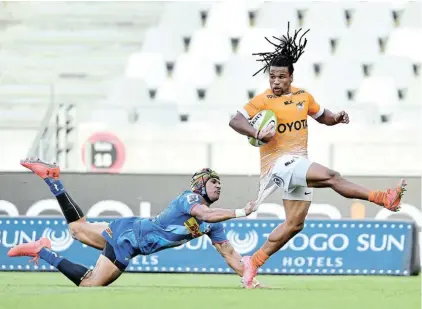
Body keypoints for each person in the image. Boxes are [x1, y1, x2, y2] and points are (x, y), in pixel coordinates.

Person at [228, 23, 407, 288]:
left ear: (291, 76)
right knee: (332, 176)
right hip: (278, 165)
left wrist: (337, 118)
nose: (275, 82)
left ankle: (252, 264)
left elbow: (323, 116)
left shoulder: (303, 96)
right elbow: (235, 120)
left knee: (294, 225)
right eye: (272, 77)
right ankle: (383, 198)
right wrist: (256, 131)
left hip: (297, 163)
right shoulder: (263, 100)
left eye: (280, 77)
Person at [8, 158, 260, 288]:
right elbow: (203, 215)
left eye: (220, 183)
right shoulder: (190, 198)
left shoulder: (214, 223)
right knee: (90, 284)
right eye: (213, 181)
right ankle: (42, 251)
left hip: (129, 232)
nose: (219, 185)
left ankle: (52, 179)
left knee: (77, 230)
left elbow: (229, 254)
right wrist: (240, 211)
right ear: (199, 184)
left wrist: (249, 277)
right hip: (128, 239)